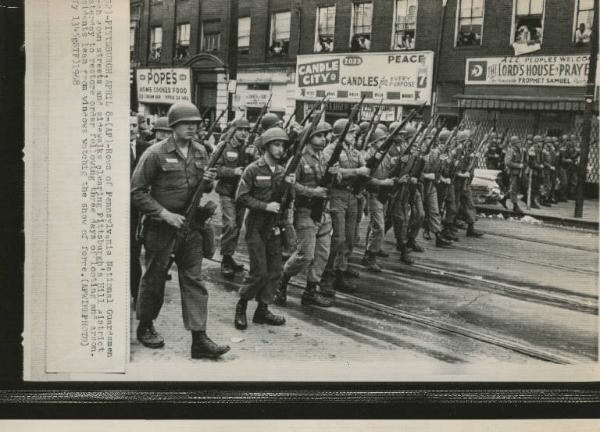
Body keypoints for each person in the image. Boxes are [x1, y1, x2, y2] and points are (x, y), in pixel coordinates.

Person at [131, 101, 230, 359]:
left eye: (195, 124)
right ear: (173, 126)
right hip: (161, 229)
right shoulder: (155, 153)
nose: (192, 128)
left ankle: (199, 338)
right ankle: (145, 325)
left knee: (195, 281)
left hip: (192, 227)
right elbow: (136, 192)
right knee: (153, 278)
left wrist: (208, 183)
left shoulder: (201, 152)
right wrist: (164, 214)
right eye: (187, 124)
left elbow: (204, 190)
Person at [233, 127, 296, 330]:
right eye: (276, 145)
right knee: (259, 270)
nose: (280, 149)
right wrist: (265, 206)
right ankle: (242, 305)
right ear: (266, 146)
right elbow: (241, 196)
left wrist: (290, 187)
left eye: (282, 145)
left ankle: (262, 310)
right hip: (256, 226)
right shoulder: (253, 169)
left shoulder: (282, 171)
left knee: (275, 270)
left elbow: (286, 202)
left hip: (275, 226)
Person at [275, 122, 336, 307]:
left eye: (325, 135)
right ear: (309, 138)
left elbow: (330, 183)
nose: (324, 139)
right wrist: (312, 192)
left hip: (324, 212)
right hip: (306, 211)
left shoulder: (324, 158)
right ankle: (281, 283)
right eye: (319, 135)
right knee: (305, 255)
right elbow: (288, 184)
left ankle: (310, 291)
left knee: (322, 255)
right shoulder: (298, 159)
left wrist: (335, 174)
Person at [320, 119, 371, 295]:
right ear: (340, 134)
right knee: (338, 238)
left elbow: (365, 167)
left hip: (352, 195)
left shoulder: (355, 151)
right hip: (336, 195)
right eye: (350, 133)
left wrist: (363, 170)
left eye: (355, 133)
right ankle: (326, 275)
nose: (354, 136)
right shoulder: (329, 151)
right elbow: (334, 173)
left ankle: (340, 272)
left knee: (350, 237)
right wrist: (356, 172)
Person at [215, 118, 252, 278]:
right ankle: (224, 260)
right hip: (227, 192)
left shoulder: (248, 148)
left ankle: (229, 257)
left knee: (236, 227)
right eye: (240, 130)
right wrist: (232, 172)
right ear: (234, 130)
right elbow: (214, 168)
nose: (244, 133)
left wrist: (252, 156)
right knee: (229, 225)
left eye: (246, 130)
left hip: (241, 194)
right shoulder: (224, 146)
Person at [361, 128, 396, 272]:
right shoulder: (368, 156)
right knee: (379, 227)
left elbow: (388, 171)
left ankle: (370, 251)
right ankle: (370, 257)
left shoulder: (386, 155)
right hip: (373, 194)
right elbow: (365, 179)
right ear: (373, 142)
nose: (383, 142)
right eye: (381, 140)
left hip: (383, 194)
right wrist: (383, 183)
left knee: (376, 226)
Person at [130, 116, 150, 306]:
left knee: (136, 252)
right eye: (126, 125)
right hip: (122, 209)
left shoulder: (146, 148)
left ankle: (138, 295)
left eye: (134, 125)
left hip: (141, 209)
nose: (130, 130)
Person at [503, 136, 525, 214]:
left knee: (514, 188)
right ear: (514, 144)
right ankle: (515, 206)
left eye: (519, 142)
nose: (519, 144)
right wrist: (518, 165)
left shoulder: (520, 151)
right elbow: (507, 162)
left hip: (518, 172)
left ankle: (503, 198)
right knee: (513, 189)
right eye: (518, 143)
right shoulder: (511, 151)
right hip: (512, 172)